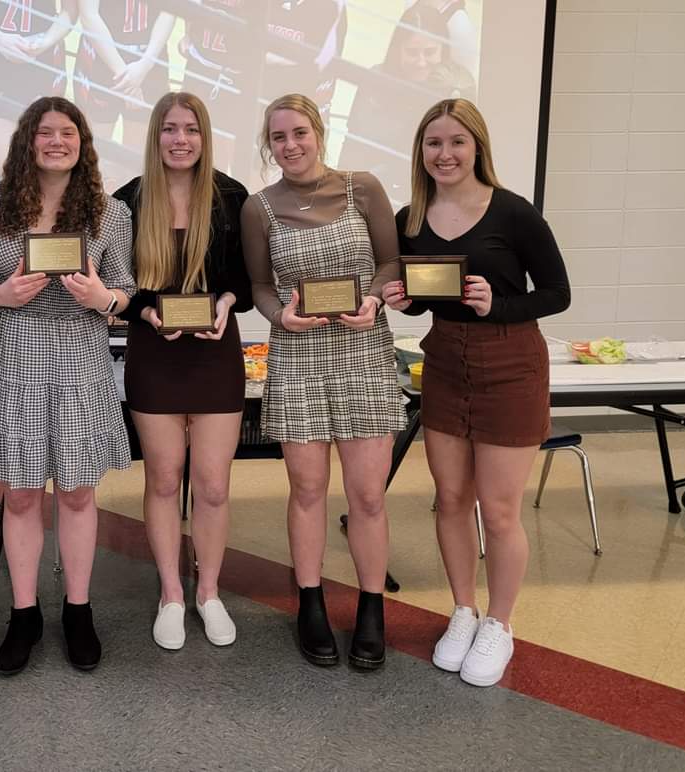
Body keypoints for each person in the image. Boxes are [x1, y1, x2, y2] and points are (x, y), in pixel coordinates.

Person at [382, 98, 570, 687]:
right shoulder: (411, 216)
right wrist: (404, 299)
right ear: (421, 151)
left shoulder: (514, 213)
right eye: (433, 143)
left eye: (457, 142)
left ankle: (500, 623)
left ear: (478, 147)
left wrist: (502, 305)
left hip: (511, 364)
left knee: (502, 508)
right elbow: (418, 288)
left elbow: (558, 293)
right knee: (451, 497)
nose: (445, 154)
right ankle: (462, 610)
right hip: (443, 362)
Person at [0, 96, 136, 675]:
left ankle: (77, 611)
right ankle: (24, 613)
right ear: (27, 139)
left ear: (83, 143)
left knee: (79, 492)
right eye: (46, 132)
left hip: (79, 353)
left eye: (69, 132)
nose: (57, 141)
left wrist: (104, 298)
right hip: (13, 349)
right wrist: (0, 293)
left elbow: (126, 288)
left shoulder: (110, 212)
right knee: (24, 493)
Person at [241, 94, 405, 670]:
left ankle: (370, 607)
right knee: (307, 490)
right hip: (298, 356)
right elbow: (260, 285)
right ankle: (309, 601)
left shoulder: (364, 188)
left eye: (300, 133)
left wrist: (373, 299)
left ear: (320, 132)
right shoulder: (258, 207)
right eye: (279, 137)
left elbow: (391, 264)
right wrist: (279, 315)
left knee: (366, 494)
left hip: (362, 351)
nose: (291, 145)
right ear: (269, 144)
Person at [112, 92, 251, 650]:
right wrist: (145, 308)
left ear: (204, 135)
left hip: (216, 352)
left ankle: (208, 592)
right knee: (164, 478)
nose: (180, 140)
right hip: (155, 351)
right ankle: (171, 592)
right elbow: (120, 283)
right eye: (169, 129)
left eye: (191, 129)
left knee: (214, 486)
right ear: (155, 135)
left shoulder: (232, 196)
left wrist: (225, 302)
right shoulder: (127, 201)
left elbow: (244, 275)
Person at [180, 0, 346, 181]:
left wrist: (264, 56)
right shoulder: (262, 5)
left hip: (294, 109)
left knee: (269, 181)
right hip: (253, 103)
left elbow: (315, 61)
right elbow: (245, 43)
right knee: (232, 169)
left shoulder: (328, 7)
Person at [338, 3, 476, 200]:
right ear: (398, 50)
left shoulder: (453, 92)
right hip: (371, 195)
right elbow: (352, 144)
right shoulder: (375, 78)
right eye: (412, 52)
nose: (421, 62)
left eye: (429, 53)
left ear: (443, 51)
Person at [0, 0, 75, 174]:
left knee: (47, 171)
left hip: (42, 61)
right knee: (7, 172)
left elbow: (70, 10)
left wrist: (45, 41)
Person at [74, 0, 174, 190]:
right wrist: (126, 78)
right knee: (94, 155)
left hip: (150, 57)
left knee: (139, 159)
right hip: (102, 55)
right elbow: (89, 15)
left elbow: (170, 10)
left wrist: (145, 64)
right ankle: (94, 216)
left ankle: (131, 215)